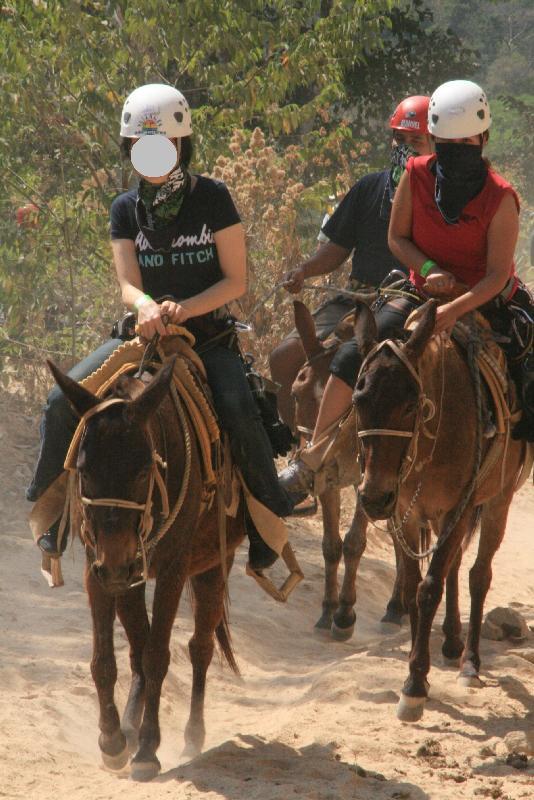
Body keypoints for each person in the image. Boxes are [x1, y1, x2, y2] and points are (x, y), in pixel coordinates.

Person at [27, 83, 292, 568]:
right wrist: (146, 306)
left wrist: (186, 308)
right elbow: (128, 283)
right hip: (142, 336)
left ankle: (266, 518)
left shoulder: (212, 198)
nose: (152, 152)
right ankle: (52, 516)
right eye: (141, 144)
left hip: (207, 336)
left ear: (181, 144)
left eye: (163, 143)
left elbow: (235, 281)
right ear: (130, 147)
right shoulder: (124, 208)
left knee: (238, 406)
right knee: (59, 404)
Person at [279, 79, 534, 501]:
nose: (457, 149)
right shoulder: (415, 176)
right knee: (351, 356)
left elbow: (496, 275)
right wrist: (429, 270)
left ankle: (512, 457)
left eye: (466, 141)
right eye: (448, 142)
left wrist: (455, 309)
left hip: (484, 297)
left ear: (483, 138)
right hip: (420, 292)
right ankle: (312, 459)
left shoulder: (501, 197)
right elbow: (397, 238)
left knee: (527, 367)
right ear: (436, 139)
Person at [270, 95, 432, 428]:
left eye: (416, 140)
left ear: (437, 143)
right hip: (356, 298)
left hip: (408, 299)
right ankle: (294, 442)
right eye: (399, 139)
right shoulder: (369, 187)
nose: (405, 148)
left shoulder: (439, 197)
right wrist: (304, 270)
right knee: (283, 357)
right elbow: (337, 248)